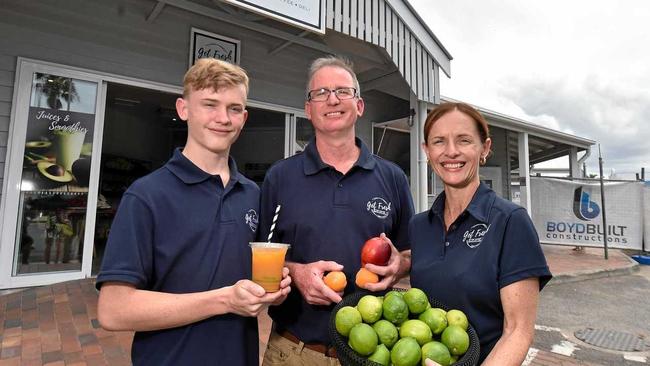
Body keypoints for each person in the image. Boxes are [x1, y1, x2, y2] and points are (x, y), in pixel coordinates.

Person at [96, 58, 291, 366]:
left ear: (244, 117)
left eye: (234, 108)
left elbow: (248, 280)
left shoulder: (253, 195)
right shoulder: (146, 196)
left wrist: (272, 291)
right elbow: (113, 310)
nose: (223, 118)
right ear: (183, 109)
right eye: (210, 104)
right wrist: (225, 300)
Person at [259, 56, 414, 365]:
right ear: (308, 109)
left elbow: (410, 252)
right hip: (293, 350)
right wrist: (298, 273)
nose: (332, 99)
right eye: (321, 92)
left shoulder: (392, 177)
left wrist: (399, 265)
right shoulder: (280, 177)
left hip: (373, 351)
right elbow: (261, 256)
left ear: (359, 105)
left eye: (343, 91)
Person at [409, 102, 552, 365]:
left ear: (484, 148)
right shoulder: (419, 226)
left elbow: (517, 331)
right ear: (427, 151)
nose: (451, 152)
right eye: (439, 142)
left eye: (464, 140)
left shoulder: (510, 222)